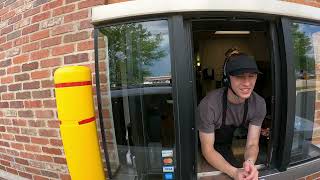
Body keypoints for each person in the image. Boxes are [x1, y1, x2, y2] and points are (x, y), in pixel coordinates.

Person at [197, 48, 266, 180]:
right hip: (203, 146)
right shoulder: (209, 105)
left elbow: (252, 143)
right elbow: (208, 150)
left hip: (224, 145)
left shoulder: (259, 104)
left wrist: (250, 163)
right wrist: (234, 172)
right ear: (227, 79)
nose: (247, 83)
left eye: (251, 75)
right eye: (240, 76)